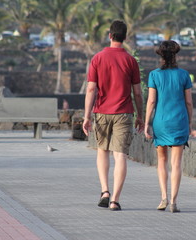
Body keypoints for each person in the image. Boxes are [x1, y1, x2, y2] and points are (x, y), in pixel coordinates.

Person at [82, 20, 144, 211]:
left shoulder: (97, 58)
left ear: (110, 35)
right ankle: (115, 200)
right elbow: (138, 93)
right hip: (124, 113)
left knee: (102, 151)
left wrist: (86, 116)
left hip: (101, 111)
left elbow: (91, 89)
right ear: (125, 37)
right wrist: (140, 116)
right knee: (121, 156)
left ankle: (105, 191)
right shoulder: (130, 61)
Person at [144, 40, 193, 213]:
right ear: (175, 55)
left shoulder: (154, 75)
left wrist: (146, 123)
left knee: (162, 161)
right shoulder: (184, 75)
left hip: (161, 122)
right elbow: (188, 102)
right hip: (179, 120)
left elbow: (151, 101)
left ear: (161, 56)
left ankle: (163, 197)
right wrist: (189, 121)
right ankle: (173, 202)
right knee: (176, 163)